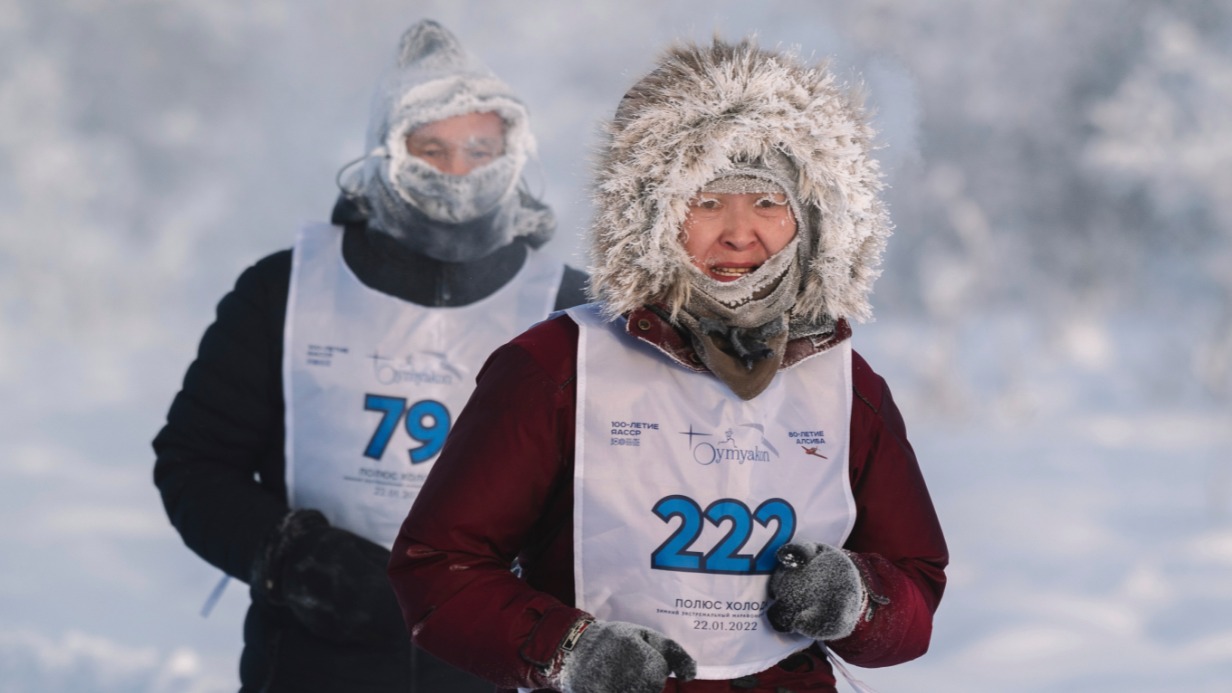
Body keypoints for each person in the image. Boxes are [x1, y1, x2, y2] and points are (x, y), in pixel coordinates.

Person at [387, 35, 949, 693]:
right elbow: (437, 569)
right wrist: (571, 650)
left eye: (768, 201)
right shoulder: (555, 368)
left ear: (813, 219)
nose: (740, 233)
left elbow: (916, 586)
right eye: (708, 201)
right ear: (653, 213)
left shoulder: (848, 385)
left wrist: (857, 599)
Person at [152, 19, 587, 693]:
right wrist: (292, 558)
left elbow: (629, 492)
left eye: (480, 147)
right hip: (308, 665)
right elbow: (195, 462)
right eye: (431, 149)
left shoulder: (574, 310)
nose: (457, 173)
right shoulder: (286, 289)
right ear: (386, 152)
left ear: (514, 151)